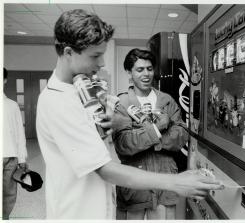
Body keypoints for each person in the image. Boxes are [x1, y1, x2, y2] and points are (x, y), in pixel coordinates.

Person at [36, 9, 223, 219]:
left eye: (150, 69)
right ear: (69, 52)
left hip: (98, 205)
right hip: (78, 212)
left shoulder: (80, 92)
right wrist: (176, 181)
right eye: (96, 56)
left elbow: (180, 134)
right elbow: (107, 165)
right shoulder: (59, 102)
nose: (102, 63)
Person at [112, 48, 187, 220]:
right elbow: (124, 144)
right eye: (139, 70)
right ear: (129, 73)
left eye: (149, 69)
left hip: (165, 180)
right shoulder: (122, 103)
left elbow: (182, 135)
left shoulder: (166, 100)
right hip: (134, 184)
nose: (146, 74)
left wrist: (149, 136)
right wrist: (158, 128)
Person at [3, 68, 28, 220]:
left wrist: (22, 158)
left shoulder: (12, 105)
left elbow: (20, 133)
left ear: (5, 80)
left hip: (11, 158)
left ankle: (4, 218)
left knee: (9, 193)